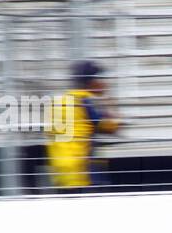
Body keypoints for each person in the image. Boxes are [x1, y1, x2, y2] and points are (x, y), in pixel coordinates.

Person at [46, 60, 121, 192]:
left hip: (62, 172)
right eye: (101, 78)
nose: (104, 83)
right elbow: (112, 127)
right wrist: (109, 100)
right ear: (91, 81)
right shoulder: (88, 100)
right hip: (84, 171)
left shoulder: (59, 101)